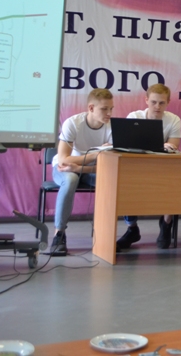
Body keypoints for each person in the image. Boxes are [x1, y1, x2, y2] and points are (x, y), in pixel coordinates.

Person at [116, 84, 181, 251]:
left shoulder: (174, 119)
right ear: (146, 100)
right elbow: (126, 146)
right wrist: (160, 145)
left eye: (162, 103)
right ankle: (132, 228)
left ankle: (166, 223)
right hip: (137, 167)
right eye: (153, 102)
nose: (157, 106)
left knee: (175, 181)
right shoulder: (134, 116)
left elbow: (173, 146)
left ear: (168, 102)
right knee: (125, 183)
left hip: (164, 168)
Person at [49, 88, 114, 256]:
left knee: (111, 179)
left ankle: (105, 235)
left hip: (86, 168)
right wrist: (95, 155)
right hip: (65, 169)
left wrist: (79, 168)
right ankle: (59, 234)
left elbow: (109, 167)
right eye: (104, 109)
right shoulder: (73, 123)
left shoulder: (113, 128)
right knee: (71, 180)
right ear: (91, 108)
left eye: (111, 108)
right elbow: (63, 160)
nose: (109, 113)